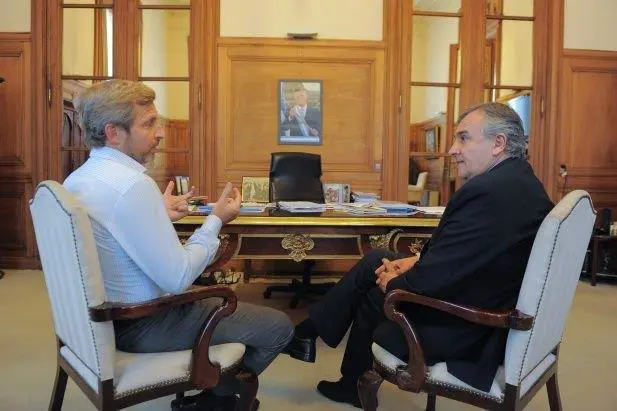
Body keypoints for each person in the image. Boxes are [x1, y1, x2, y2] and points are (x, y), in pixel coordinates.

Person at [283, 102, 554, 408]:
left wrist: (395, 281)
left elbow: (433, 279)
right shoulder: (521, 184)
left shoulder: (488, 192)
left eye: (463, 138)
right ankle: (310, 335)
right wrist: (412, 261)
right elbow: (470, 253)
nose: (452, 149)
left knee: (376, 289)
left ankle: (335, 367)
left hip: (469, 329)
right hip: (484, 298)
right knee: (378, 259)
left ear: (498, 143)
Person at [64, 79, 294, 410]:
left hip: (104, 318)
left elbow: (112, 232)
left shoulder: (80, 178)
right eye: (148, 124)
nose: (159, 133)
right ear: (113, 133)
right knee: (279, 327)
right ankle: (215, 402)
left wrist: (157, 213)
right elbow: (178, 277)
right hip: (144, 322)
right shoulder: (132, 186)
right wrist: (216, 220)